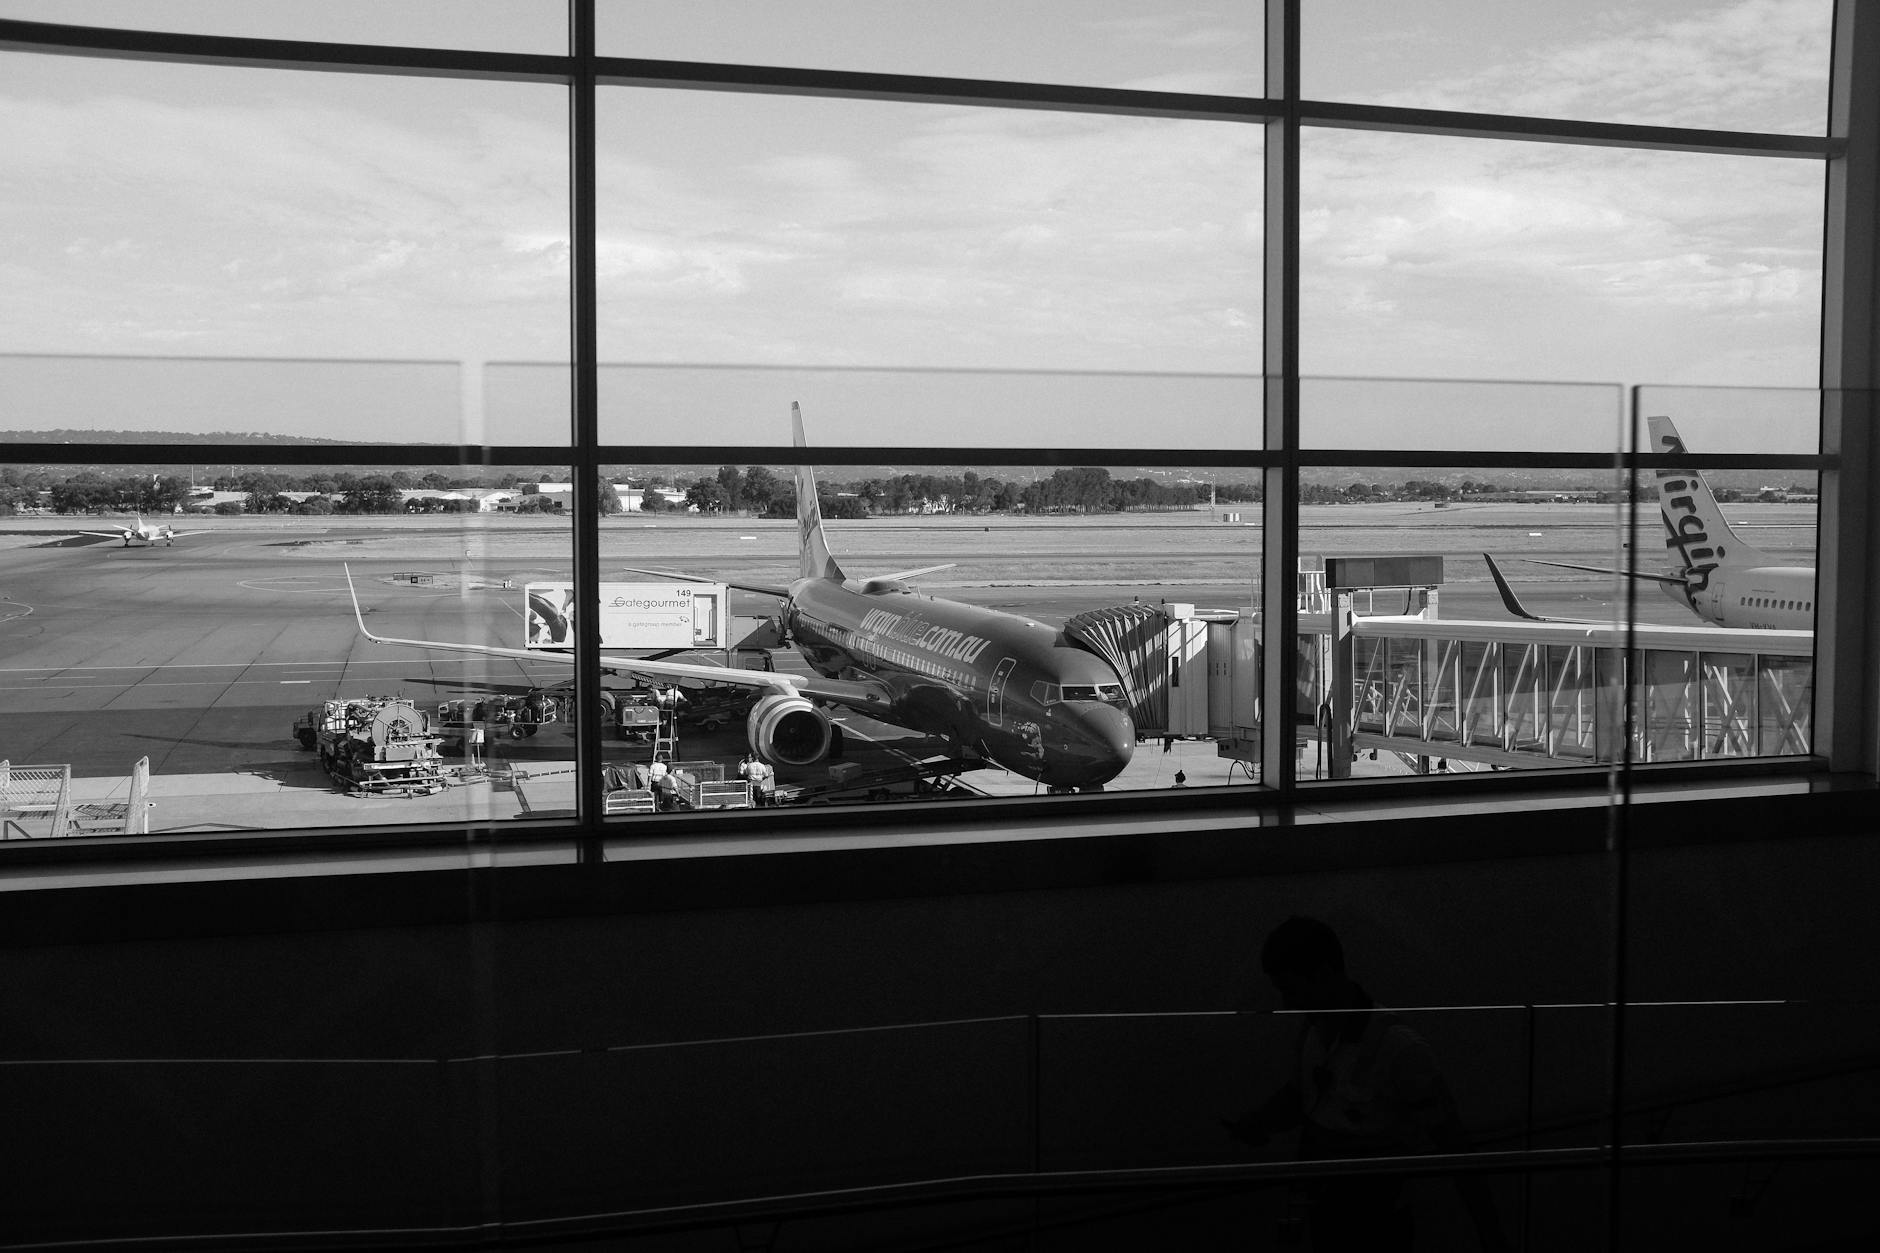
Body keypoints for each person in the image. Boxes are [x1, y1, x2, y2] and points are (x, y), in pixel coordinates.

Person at [1224, 916, 1508, 1252]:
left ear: (1324, 974)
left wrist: (1492, 1236)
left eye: (1292, 990)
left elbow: (1455, 1146)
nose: (1288, 1005)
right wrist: (1260, 1121)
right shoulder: (1315, 1034)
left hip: (1377, 1224)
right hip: (1328, 1215)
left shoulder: (1398, 1048)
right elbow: (1303, 1097)